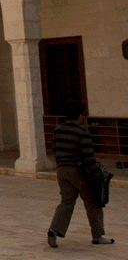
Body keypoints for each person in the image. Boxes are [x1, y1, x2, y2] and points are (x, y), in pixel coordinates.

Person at [47, 100, 115, 247]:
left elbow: (55, 149)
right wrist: (97, 175)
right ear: (80, 114)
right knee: (93, 202)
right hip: (78, 171)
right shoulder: (82, 132)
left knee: (66, 202)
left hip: (62, 170)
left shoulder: (58, 129)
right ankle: (98, 236)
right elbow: (89, 157)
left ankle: (54, 229)